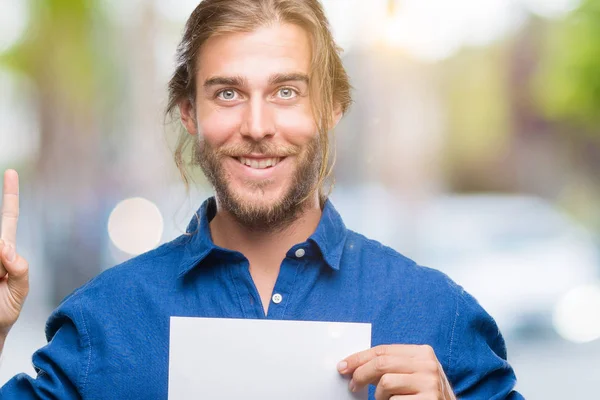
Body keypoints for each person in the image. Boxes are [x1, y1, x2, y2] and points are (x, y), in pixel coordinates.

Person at [0, 0, 524, 398]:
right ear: (189, 112)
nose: (256, 126)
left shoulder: (438, 317)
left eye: (286, 92)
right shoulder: (105, 323)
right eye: (227, 93)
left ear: (332, 107)